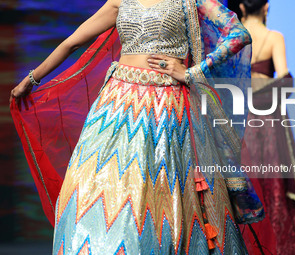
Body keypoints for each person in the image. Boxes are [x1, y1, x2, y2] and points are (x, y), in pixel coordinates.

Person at [9, 0, 266, 254]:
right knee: (88, 188)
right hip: (116, 106)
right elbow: (72, 41)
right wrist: (31, 79)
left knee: (163, 198)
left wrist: (192, 72)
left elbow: (238, 35)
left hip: (167, 107)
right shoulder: (120, 1)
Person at [228, 0, 295, 254]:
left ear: (242, 8)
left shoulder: (232, 36)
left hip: (239, 114)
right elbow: (284, 79)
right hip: (268, 118)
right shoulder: (273, 37)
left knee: (244, 174)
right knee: (273, 177)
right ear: (266, 7)